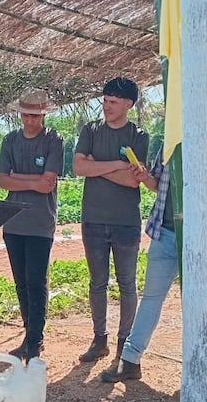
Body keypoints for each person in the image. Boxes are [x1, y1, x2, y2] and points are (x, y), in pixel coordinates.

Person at [73, 77, 149, 362]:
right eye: (104, 101)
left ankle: (123, 343)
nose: (106, 106)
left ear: (129, 104)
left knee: (127, 283)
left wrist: (97, 166)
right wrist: (117, 164)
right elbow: (78, 167)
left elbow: (133, 182)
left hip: (126, 222)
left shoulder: (139, 135)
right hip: (93, 219)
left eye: (113, 102)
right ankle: (99, 339)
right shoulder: (90, 130)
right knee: (97, 283)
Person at [0, 88, 64, 361]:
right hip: (13, 222)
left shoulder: (53, 140)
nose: (30, 120)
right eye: (26, 114)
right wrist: (33, 182)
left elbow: (48, 182)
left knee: (36, 281)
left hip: (40, 222)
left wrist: (20, 179)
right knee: (21, 283)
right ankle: (29, 334)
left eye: (35, 115)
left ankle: (35, 340)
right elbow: (2, 180)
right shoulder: (10, 140)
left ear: (43, 115)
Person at [101, 143, 175, 382]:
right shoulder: (170, 140)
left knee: (197, 303)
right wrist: (144, 177)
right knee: (151, 298)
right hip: (165, 232)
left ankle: (200, 370)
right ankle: (130, 361)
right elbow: (156, 184)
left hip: (198, 237)